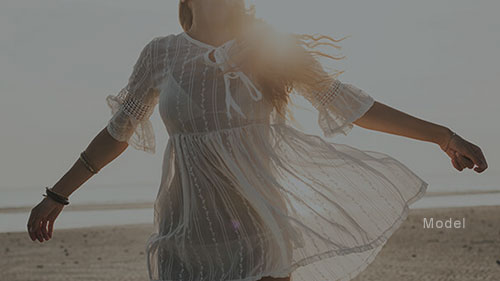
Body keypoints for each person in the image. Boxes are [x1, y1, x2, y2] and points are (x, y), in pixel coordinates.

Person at [27, 0, 488, 281]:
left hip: (259, 226)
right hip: (187, 232)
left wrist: (443, 136)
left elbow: (347, 103)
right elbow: (117, 133)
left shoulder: (271, 46)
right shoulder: (160, 53)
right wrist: (57, 195)